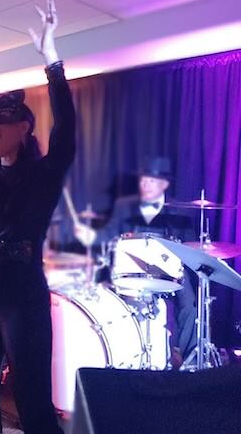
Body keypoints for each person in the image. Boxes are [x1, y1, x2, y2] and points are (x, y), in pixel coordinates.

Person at [0, 0, 72, 434]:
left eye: (1, 120)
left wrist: (52, 60)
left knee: (32, 401)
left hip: (21, 290)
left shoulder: (43, 174)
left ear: (24, 128)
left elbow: (66, 130)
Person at [74, 156, 198, 365]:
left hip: (171, 270)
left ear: (164, 184)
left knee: (190, 305)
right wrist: (91, 235)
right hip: (131, 268)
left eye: (151, 181)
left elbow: (191, 248)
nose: (145, 185)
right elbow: (108, 236)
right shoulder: (123, 207)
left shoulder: (180, 212)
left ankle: (188, 361)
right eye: (143, 180)